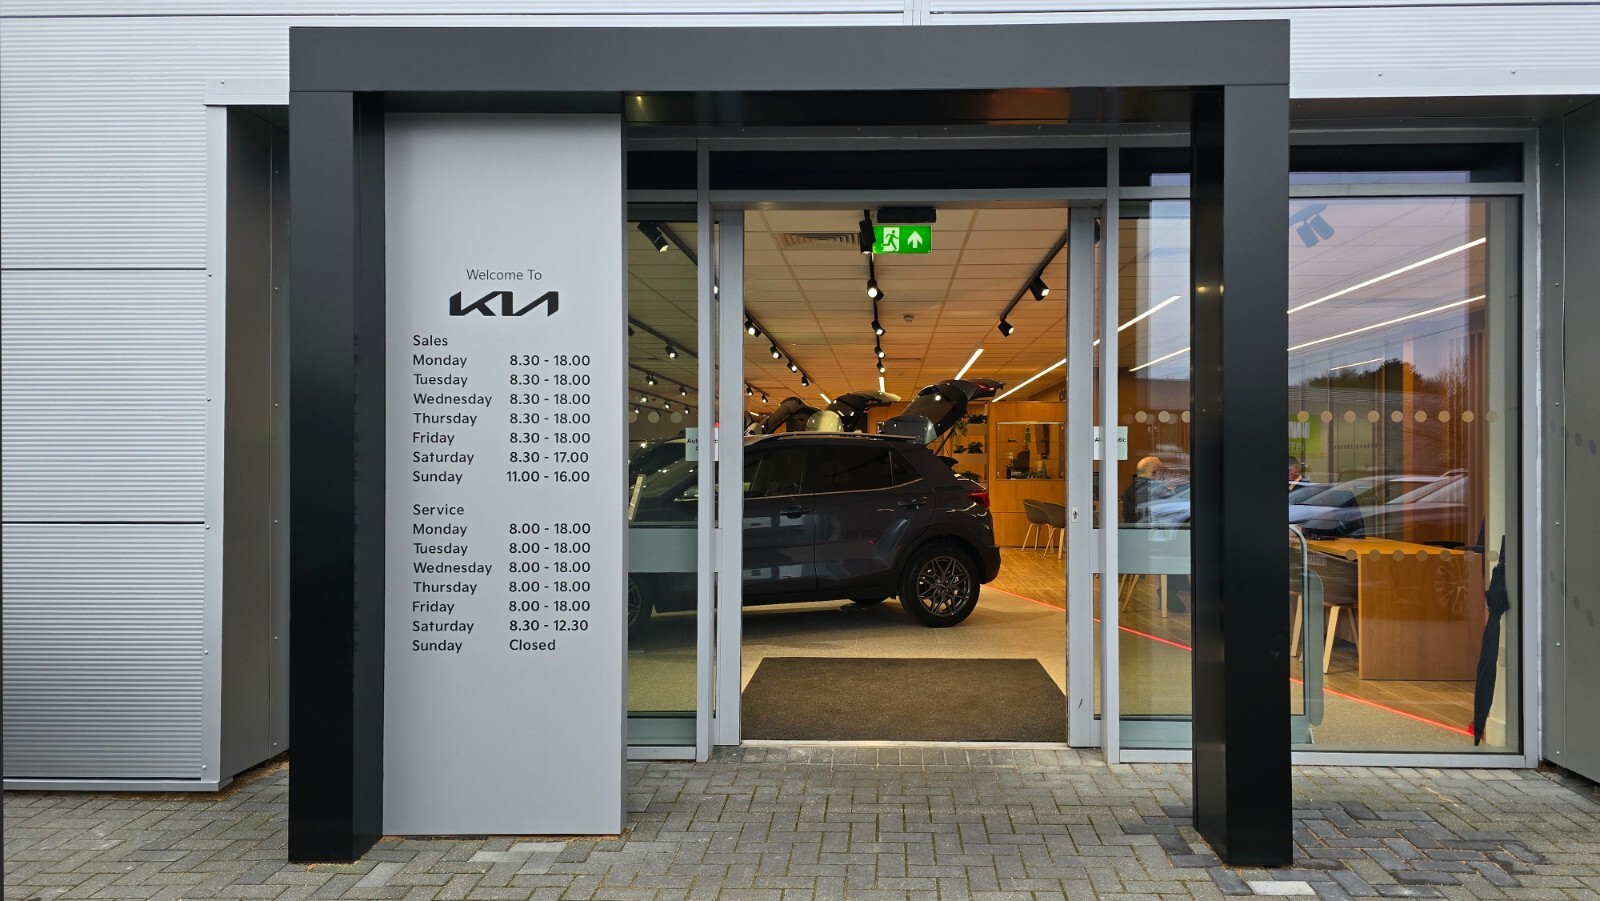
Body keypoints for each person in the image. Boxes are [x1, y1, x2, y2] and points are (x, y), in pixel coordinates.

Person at [1122, 455, 1169, 523]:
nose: (1163, 477)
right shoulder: (1158, 489)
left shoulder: (1128, 491)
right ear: (1154, 473)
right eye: (1162, 473)